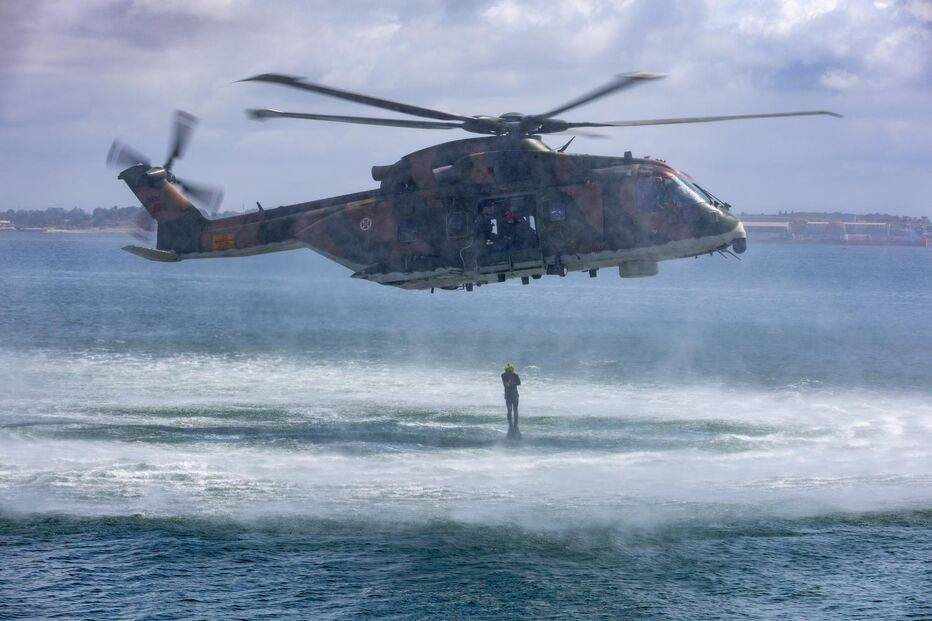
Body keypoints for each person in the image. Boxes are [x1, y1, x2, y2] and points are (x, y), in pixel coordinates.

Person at [501, 363, 522, 439]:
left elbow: (519, 383)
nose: (510, 371)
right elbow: (507, 385)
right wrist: (511, 381)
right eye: (509, 370)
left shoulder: (514, 375)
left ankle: (515, 425)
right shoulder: (504, 375)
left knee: (514, 410)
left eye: (510, 370)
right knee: (510, 410)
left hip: (513, 395)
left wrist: (512, 381)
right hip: (510, 395)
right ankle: (511, 425)